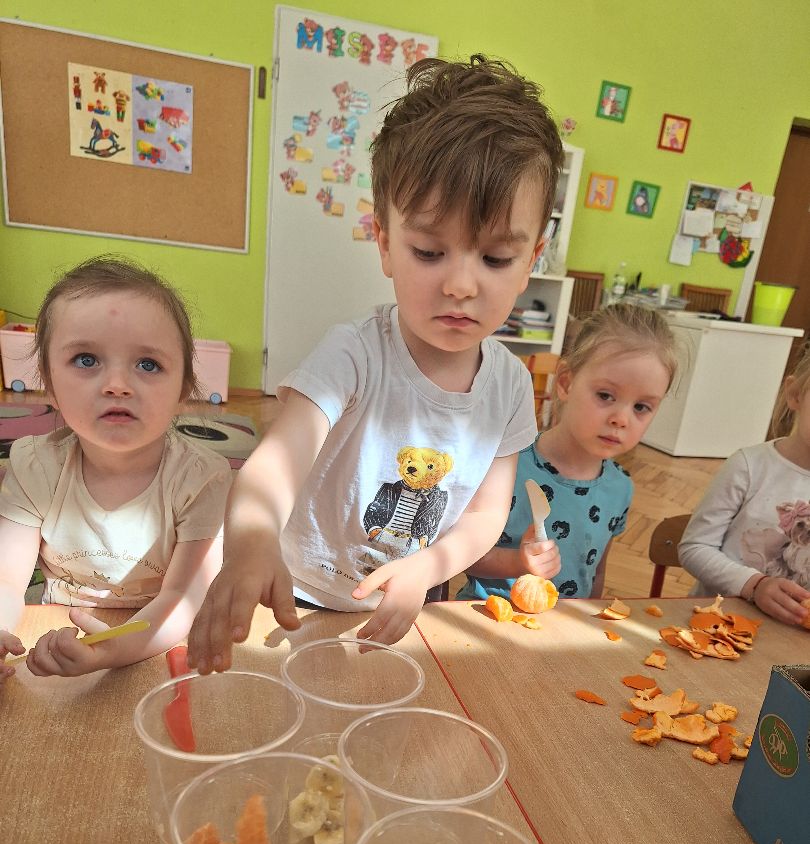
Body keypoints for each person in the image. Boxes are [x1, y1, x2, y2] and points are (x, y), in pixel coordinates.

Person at [187, 54, 564, 672]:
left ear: (531, 262)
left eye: (496, 259)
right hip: (295, 590)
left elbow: (484, 514)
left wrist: (429, 567)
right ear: (386, 243)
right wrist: (252, 543)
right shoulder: (353, 354)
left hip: (407, 597)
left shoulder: (511, 385)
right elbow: (272, 466)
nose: (461, 285)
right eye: (430, 251)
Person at [0, 256, 231, 679]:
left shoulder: (202, 479)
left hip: (156, 642)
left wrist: (109, 652)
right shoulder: (34, 466)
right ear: (48, 382)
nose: (117, 385)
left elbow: (184, 596)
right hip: (53, 632)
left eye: (148, 364)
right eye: (86, 360)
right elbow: (6, 580)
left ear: (184, 388)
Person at [459, 304, 679, 602]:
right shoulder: (507, 463)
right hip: (486, 618)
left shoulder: (620, 488)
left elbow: (595, 574)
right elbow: (462, 557)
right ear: (565, 382)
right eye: (605, 395)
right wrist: (518, 562)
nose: (621, 419)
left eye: (641, 407)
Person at [679, 343, 810, 626]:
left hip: (793, 638)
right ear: (795, 395)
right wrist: (754, 584)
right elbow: (695, 547)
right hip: (716, 625)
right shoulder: (749, 466)